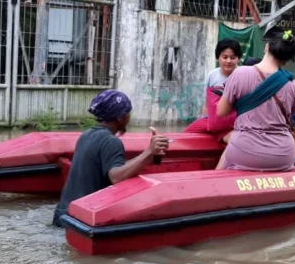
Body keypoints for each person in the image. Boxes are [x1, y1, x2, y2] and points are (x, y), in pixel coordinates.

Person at [53, 89, 169, 226]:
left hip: (63, 215)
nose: (129, 117)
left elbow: (118, 167)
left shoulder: (86, 136)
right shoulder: (111, 142)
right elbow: (116, 177)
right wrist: (149, 152)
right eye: (128, 112)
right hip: (79, 222)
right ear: (120, 117)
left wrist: (151, 155)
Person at [215, 30, 295, 172]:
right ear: (287, 60)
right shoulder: (291, 82)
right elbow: (292, 115)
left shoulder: (240, 73)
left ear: (267, 47)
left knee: (221, 168)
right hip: (282, 155)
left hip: (245, 152)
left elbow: (221, 112)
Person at [184, 39, 243, 137]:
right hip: (212, 121)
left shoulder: (244, 75)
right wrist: (203, 119)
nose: (228, 61)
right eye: (224, 57)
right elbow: (207, 104)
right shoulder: (212, 76)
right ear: (217, 57)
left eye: (232, 57)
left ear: (239, 58)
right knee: (186, 134)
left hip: (235, 122)